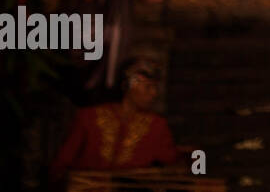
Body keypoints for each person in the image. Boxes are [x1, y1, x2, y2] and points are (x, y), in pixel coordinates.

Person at [50, 57, 178, 181]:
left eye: (155, 88)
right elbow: (62, 163)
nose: (154, 93)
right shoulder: (89, 117)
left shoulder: (157, 125)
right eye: (148, 87)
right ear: (127, 86)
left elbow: (170, 164)